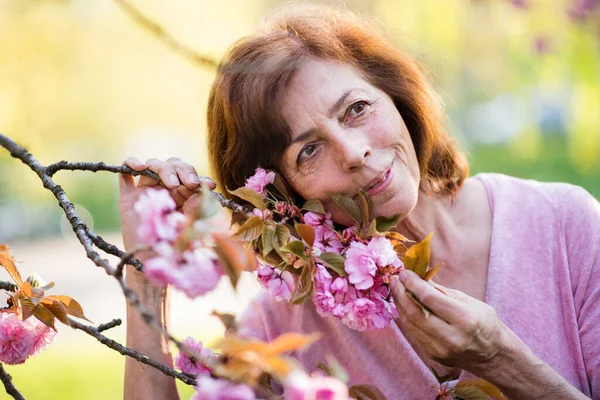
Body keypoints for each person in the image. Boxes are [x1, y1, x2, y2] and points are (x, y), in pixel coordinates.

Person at [119, 5, 599, 399]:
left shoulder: (565, 226)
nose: (353, 152)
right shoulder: (285, 321)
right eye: (308, 150)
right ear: (280, 193)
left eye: (357, 109)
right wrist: (144, 276)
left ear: (397, 97)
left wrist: (500, 359)